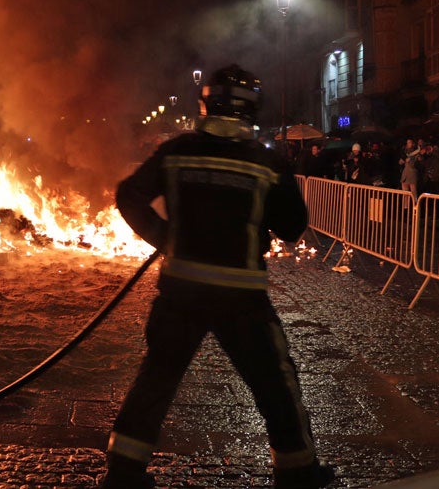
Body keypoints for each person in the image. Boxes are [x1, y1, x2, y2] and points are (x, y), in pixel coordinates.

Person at [102, 65, 333, 489]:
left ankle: (123, 473)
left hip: (179, 292)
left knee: (155, 381)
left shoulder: (176, 151)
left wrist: (163, 235)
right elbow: (292, 226)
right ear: (252, 109)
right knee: (275, 384)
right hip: (240, 297)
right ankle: (297, 472)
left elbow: (128, 194)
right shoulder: (266, 161)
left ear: (206, 103)